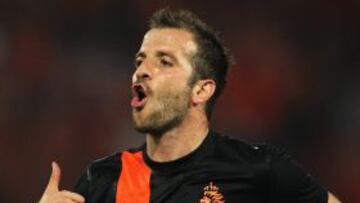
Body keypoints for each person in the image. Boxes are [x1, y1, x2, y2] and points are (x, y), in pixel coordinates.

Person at [39, 8, 341, 203]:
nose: (142, 70)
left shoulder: (259, 169)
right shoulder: (103, 179)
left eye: (165, 61)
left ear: (201, 90)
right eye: (140, 60)